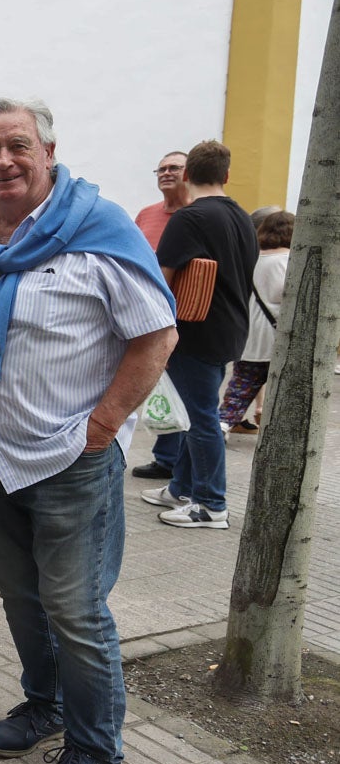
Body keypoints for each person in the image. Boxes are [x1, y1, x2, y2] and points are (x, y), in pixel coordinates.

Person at [0, 98, 176, 764]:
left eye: (16, 146)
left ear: (47, 151)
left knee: (75, 610)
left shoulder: (96, 232)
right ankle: (42, 704)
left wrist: (100, 427)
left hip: (68, 462)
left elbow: (155, 335)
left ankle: (98, 750)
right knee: (20, 595)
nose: (2, 161)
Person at [141, 140, 259, 529]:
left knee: (202, 418)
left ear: (188, 175)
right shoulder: (242, 217)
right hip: (229, 328)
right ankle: (182, 489)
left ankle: (211, 504)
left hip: (193, 331)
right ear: (226, 175)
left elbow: (163, 282)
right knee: (196, 414)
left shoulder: (190, 218)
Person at [130, 151, 192, 480]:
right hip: (148, 312)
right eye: (162, 168)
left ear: (189, 174)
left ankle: (176, 460)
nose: (166, 173)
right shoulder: (147, 214)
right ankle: (167, 457)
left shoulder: (195, 216)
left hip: (187, 315)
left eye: (174, 168)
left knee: (184, 386)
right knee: (159, 381)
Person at [220, 208, 290, 434]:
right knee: (284, 390)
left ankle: (221, 426)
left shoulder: (252, 258)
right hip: (278, 336)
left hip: (249, 335)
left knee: (239, 390)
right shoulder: (289, 260)